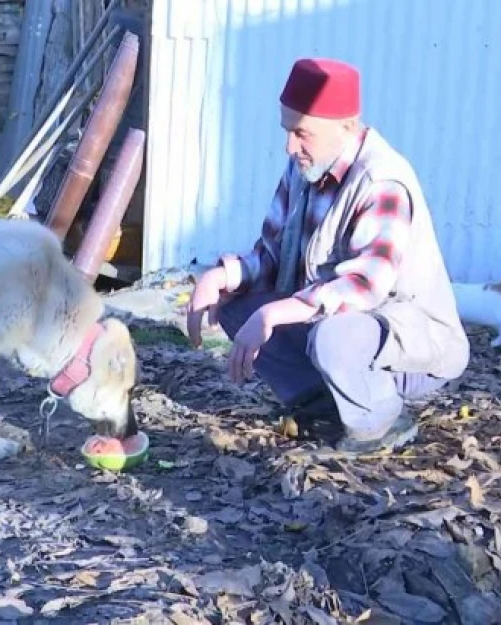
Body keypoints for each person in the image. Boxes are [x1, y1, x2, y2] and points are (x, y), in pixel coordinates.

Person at [186, 57, 470, 454]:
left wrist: (274, 314)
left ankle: (382, 421)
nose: (290, 146)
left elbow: (364, 286)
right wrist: (219, 278)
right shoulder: (303, 167)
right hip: (340, 332)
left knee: (332, 336)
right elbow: (270, 253)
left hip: (411, 349)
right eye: (287, 131)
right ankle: (322, 406)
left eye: (302, 133)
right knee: (237, 305)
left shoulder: (382, 181)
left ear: (347, 127)